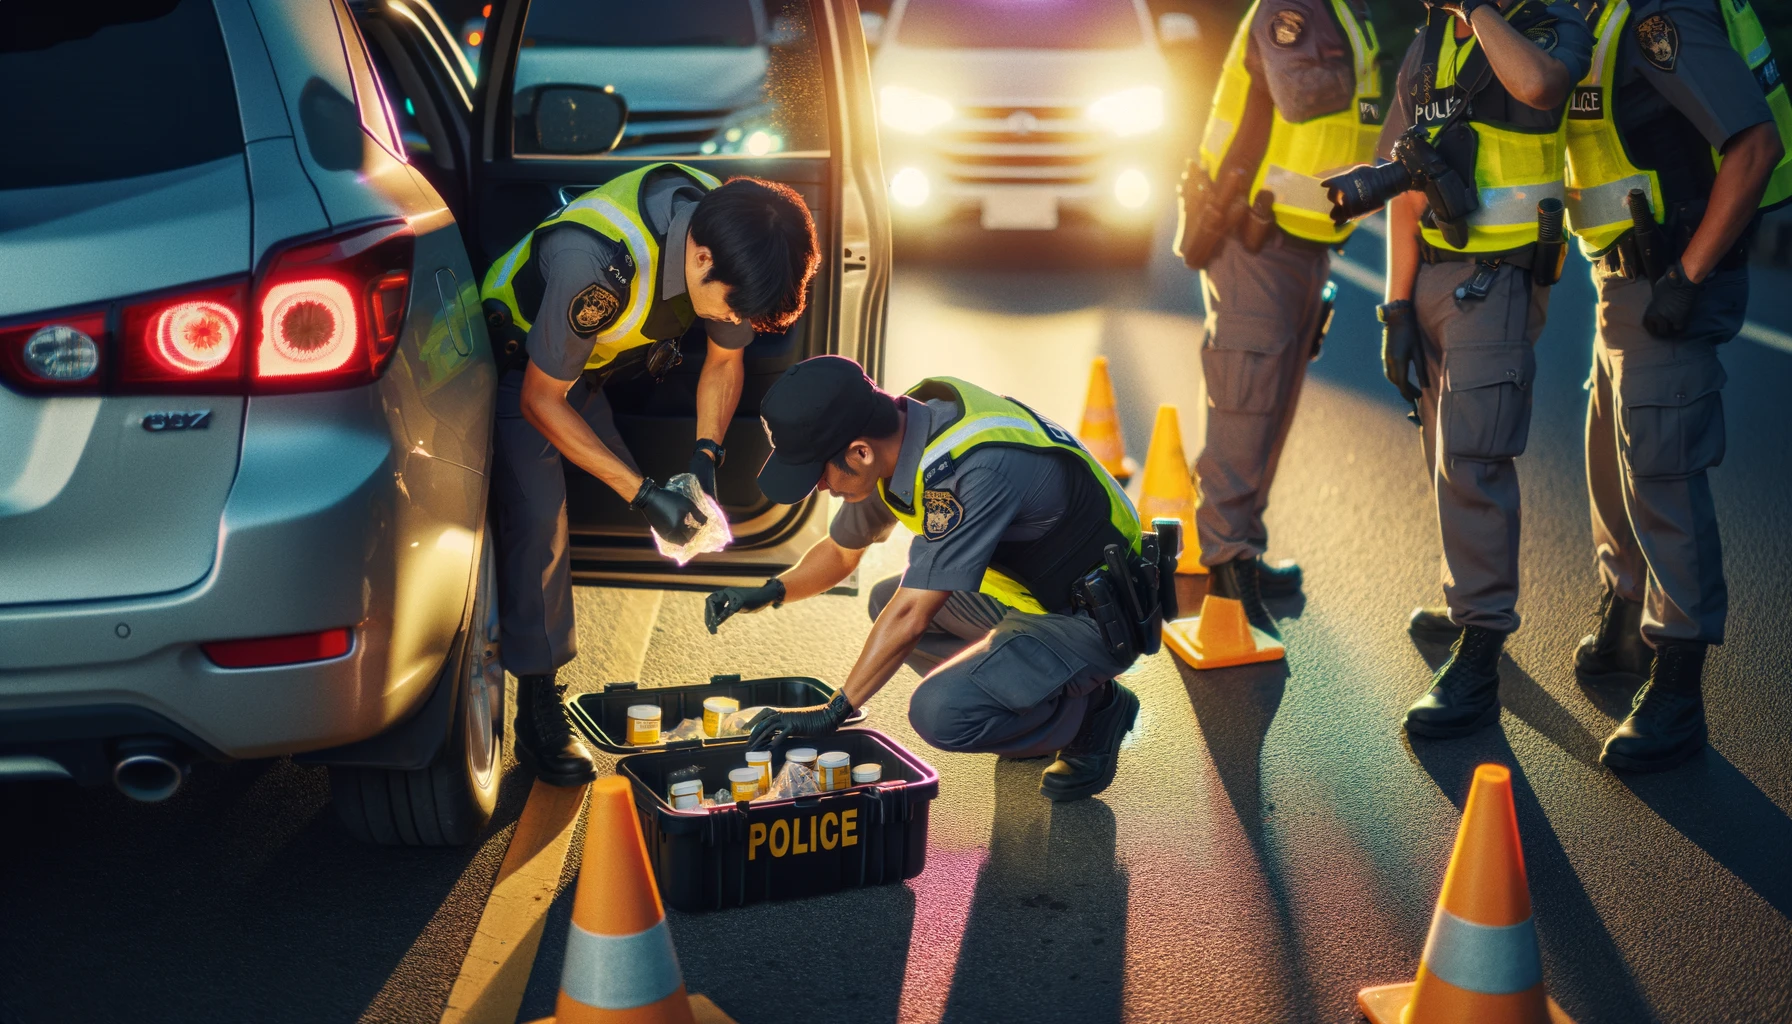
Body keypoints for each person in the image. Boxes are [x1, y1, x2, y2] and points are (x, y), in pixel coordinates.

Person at [480, 162, 820, 785]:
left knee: (647, 491)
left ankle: (537, 682)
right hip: (516, 366)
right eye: (731, 307)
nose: (731, 319)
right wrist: (641, 495)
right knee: (539, 519)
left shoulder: (733, 231)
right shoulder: (595, 268)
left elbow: (724, 361)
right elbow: (539, 402)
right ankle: (537, 703)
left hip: (580, 370)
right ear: (699, 260)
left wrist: (705, 459)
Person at [704, 357, 1171, 802]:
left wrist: (833, 712)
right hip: (1038, 595)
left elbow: (911, 615)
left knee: (939, 713)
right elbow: (842, 552)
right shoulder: (903, 427)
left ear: (859, 452)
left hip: (1095, 617)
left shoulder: (971, 471)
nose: (820, 487)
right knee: (885, 598)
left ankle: (1093, 714)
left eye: (817, 474)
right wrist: (766, 592)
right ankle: (1043, 702)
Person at [1350, 0, 1592, 737]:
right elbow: (1401, 177)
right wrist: (1394, 306)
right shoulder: (1430, 45)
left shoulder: (1547, 23)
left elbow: (1542, 86)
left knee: (1474, 457)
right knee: (1441, 449)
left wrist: (1480, 7)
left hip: (1500, 281)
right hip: (1429, 277)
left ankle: (1482, 650)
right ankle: (1469, 607)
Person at [1560, 0, 1788, 770]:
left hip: (1670, 278)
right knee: (1610, 453)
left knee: (1662, 471)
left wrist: (1688, 278)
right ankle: (1627, 614)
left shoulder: (1664, 14)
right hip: (1620, 278)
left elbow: (1755, 143)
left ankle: (1678, 688)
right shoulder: (1601, 14)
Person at [1177, 0, 1386, 638]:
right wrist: (1403, 92)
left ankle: (1244, 543)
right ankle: (1226, 565)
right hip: (1255, 234)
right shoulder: (1291, 10)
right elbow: (1298, 94)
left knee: (1275, 401)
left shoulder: (1354, 14)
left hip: (1305, 237)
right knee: (1246, 401)